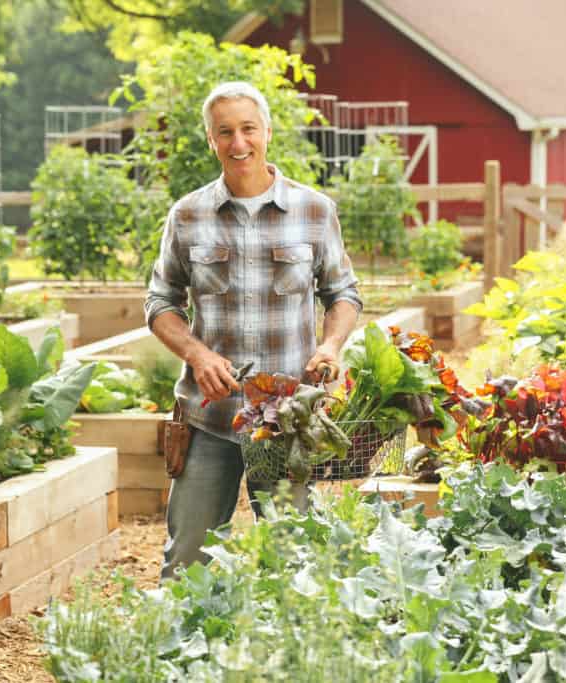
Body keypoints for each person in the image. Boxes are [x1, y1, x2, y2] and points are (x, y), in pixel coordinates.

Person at [145, 81, 363, 581]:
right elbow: (160, 302)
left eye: (247, 129)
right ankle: (184, 657)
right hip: (210, 418)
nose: (238, 142)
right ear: (210, 140)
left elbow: (343, 293)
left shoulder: (313, 210)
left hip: (287, 420)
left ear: (267, 131)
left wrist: (330, 344)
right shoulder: (187, 215)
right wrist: (198, 356)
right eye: (225, 132)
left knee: (296, 565)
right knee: (186, 564)